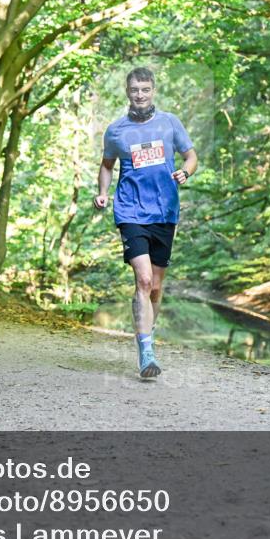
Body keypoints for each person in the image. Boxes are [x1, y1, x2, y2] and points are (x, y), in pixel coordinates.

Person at [93, 67, 198, 378]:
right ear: (128, 91)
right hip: (130, 212)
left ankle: (148, 334)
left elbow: (191, 156)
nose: (140, 94)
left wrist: (185, 172)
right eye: (135, 89)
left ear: (153, 91)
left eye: (145, 89)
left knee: (156, 286)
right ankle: (146, 353)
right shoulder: (116, 131)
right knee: (143, 279)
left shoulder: (170, 123)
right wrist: (102, 192)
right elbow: (107, 165)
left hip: (165, 211)